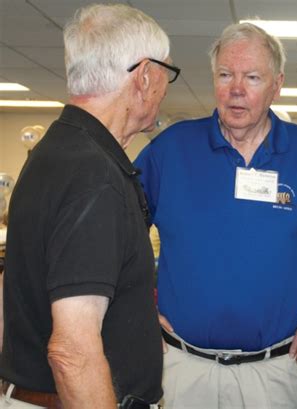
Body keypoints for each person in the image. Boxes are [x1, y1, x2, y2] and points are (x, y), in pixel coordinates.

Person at [134, 22, 297, 409]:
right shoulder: (170, 150)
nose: (236, 89)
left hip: (273, 375)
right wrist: (136, 308)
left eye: (252, 77)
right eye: (226, 75)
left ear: (277, 85)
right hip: (181, 369)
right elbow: (118, 231)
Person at [0, 4, 180, 408]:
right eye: (166, 73)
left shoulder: (53, 153)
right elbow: (72, 351)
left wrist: (131, 320)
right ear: (145, 75)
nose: (165, 86)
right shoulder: (94, 176)